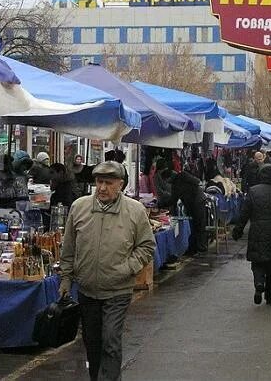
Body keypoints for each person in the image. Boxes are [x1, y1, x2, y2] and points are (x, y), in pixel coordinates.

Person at [59, 161, 155, 381]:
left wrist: (127, 268)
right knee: (92, 344)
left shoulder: (135, 210)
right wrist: (66, 279)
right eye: (99, 182)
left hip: (117, 290)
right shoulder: (79, 207)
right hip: (87, 290)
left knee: (110, 340)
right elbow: (69, 247)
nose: (102, 188)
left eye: (108, 183)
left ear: (120, 184)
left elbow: (147, 246)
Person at [232, 164, 271, 305]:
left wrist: (238, 230)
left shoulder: (253, 191)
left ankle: (259, 282)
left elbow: (244, 213)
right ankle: (270, 296)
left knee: (258, 260)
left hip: (258, 230)